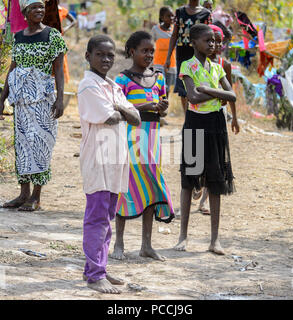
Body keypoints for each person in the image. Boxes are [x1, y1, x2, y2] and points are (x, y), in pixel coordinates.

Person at [77, 35, 141, 294]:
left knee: (107, 216)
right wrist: (120, 109)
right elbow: (112, 117)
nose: (106, 59)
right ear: (88, 56)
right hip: (97, 159)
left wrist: (120, 108)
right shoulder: (87, 86)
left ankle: (96, 267)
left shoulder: (112, 86)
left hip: (115, 159)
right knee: (97, 218)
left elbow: (135, 117)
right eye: (100, 55)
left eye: (110, 55)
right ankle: (95, 275)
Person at [175, 24, 239, 255]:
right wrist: (216, 93)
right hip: (195, 124)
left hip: (216, 125)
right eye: (207, 41)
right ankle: (183, 237)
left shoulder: (217, 67)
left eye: (214, 41)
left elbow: (231, 95)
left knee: (216, 180)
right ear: (194, 42)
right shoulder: (186, 66)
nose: (212, 44)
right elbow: (192, 96)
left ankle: (214, 240)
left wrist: (208, 91)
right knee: (189, 180)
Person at [111, 31, 175, 262]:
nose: (149, 55)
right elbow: (117, 107)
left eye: (152, 51)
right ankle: (119, 242)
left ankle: (146, 245)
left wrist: (162, 107)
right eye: (144, 51)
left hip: (152, 137)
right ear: (132, 52)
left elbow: (163, 110)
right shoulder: (122, 79)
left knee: (150, 185)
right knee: (125, 185)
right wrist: (147, 105)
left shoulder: (158, 77)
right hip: (130, 136)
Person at [0, 0, 67, 211]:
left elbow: (58, 69)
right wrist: (2, 98)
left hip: (42, 100)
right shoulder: (19, 37)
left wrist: (60, 99)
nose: (39, 11)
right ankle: (23, 194)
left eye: (41, 7)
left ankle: (36, 197)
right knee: (22, 146)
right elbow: (13, 68)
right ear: (25, 13)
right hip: (21, 102)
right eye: (34, 8)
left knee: (40, 145)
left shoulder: (52, 35)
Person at [192, 24, 240, 215]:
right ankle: (198, 182)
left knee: (215, 162)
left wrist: (234, 118)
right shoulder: (192, 65)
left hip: (218, 115)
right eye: (213, 41)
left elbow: (230, 95)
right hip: (198, 117)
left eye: (220, 42)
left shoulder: (223, 65)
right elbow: (192, 96)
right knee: (198, 155)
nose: (217, 45)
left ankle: (204, 201)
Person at [164, 0, 211, 113]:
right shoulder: (180, 12)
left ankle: (195, 121)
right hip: (182, 56)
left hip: (198, 56)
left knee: (197, 88)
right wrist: (168, 57)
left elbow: (209, 37)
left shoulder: (206, 13)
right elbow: (174, 35)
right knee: (183, 91)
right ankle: (188, 123)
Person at [151, 6, 176, 98]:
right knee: (161, 86)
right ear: (162, 17)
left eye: (172, 16)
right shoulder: (156, 29)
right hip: (158, 63)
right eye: (168, 16)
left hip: (172, 64)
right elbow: (150, 44)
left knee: (169, 88)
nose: (171, 18)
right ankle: (159, 106)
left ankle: (165, 107)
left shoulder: (175, 30)